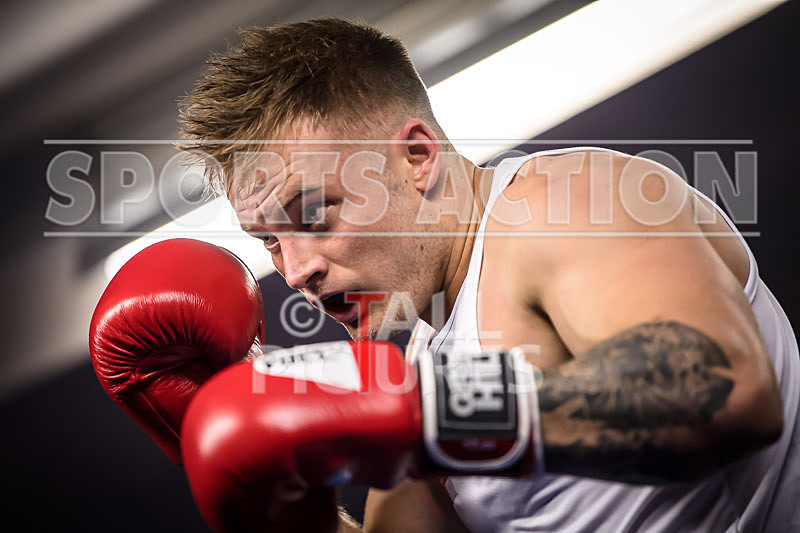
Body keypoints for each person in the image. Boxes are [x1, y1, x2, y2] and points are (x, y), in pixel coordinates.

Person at [167, 17, 799, 532]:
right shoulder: (421, 353)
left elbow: (726, 388)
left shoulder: (564, 207)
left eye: (313, 214)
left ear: (417, 157)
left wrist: (430, 414)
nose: (295, 270)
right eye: (269, 242)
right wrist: (281, 507)